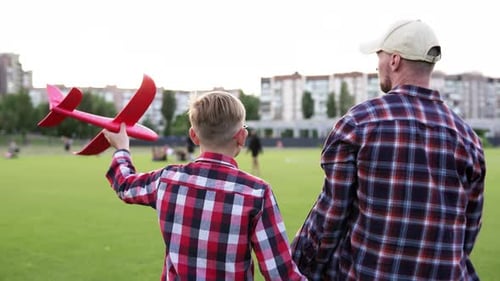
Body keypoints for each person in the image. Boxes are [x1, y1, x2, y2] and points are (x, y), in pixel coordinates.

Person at [291, 19, 486, 280]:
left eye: (379, 56)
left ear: (394, 60)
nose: (376, 64)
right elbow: (467, 233)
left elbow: (330, 217)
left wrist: (300, 267)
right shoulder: (468, 137)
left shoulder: (358, 123)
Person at [103, 91, 305, 281]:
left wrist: (122, 148)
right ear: (242, 137)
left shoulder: (167, 179)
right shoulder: (256, 193)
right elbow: (281, 274)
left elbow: (125, 184)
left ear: (193, 135)